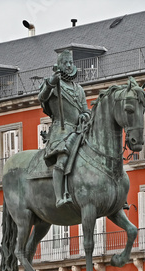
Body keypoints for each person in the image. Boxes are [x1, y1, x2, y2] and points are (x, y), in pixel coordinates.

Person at [38, 50, 90, 208]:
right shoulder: (53, 84)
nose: (68, 65)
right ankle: (59, 197)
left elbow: (85, 110)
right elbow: (41, 98)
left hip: (79, 129)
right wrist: (51, 83)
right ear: (58, 65)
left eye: (70, 62)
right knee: (62, 160)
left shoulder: (79, 89)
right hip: (62, 130)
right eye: (65, 63)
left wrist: (85, 116)